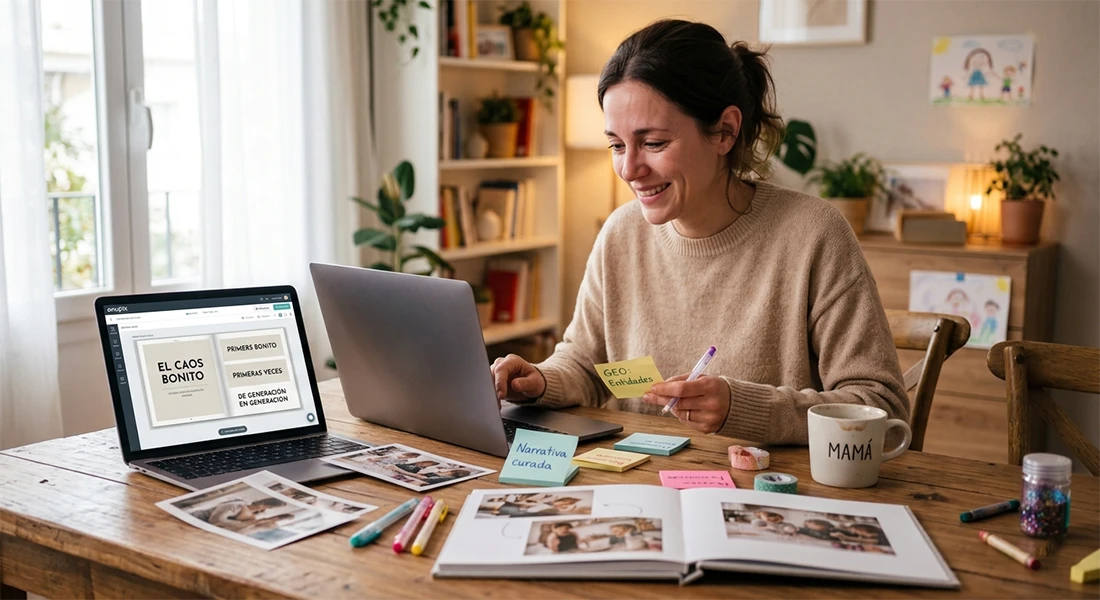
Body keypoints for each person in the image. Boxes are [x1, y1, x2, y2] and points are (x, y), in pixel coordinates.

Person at [489, 19, 908, 445]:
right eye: (617, 145)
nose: (629, 169)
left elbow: (882, 408)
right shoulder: (620, 233)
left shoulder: (814, 235)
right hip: (637, 477)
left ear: (725, 131)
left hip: (763, 483)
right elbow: (587, 366)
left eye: (653, 143)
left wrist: (744, 407)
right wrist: (539, 381)